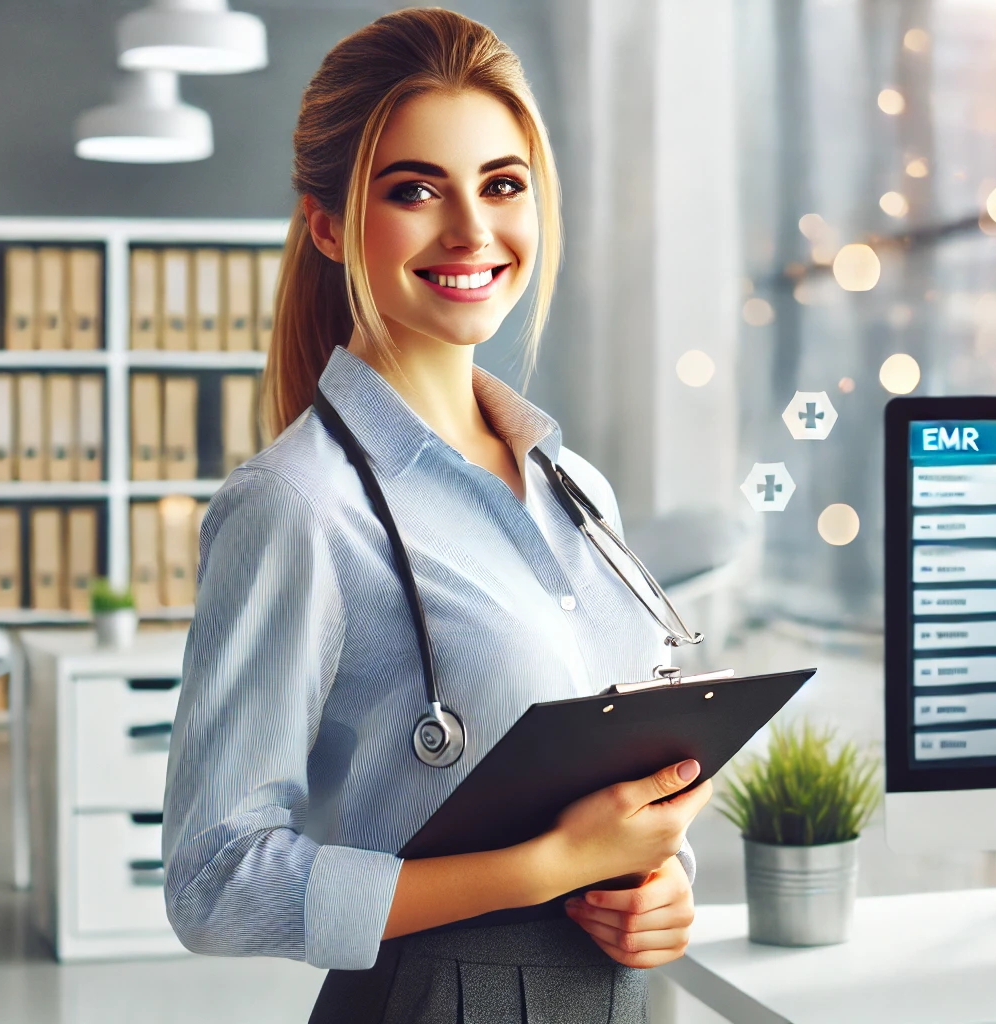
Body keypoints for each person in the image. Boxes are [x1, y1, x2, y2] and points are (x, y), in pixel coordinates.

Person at [160, 9, 712, 1023]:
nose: (471, 231)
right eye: (415, 190)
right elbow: (213, 884)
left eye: (502, 184)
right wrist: (542, 867)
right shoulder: (296, 504)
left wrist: (657, 890)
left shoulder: (575, 486)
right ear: (327, 224)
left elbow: (620, 792)